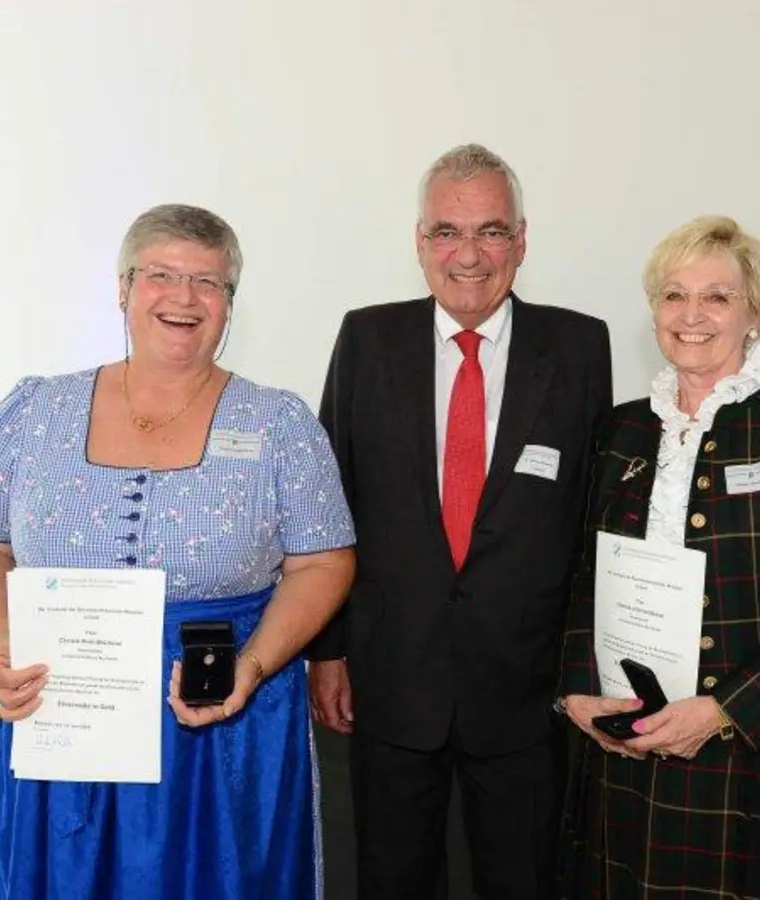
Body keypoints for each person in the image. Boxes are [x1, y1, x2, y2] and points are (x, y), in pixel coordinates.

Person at [0, 204, 357, 899]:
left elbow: (323, 561)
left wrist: (252, 666)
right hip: (63, 706)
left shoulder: (280, 424)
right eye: (161, 274)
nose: (185, 297)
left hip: (221, 720)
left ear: (229, 305)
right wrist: (6, 636)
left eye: (209, 283)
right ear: (124, 288)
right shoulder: (37, 410)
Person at [306, 143, 613, 899]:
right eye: (447, 232)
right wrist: (328, 650)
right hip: (391, 676)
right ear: (419, 242)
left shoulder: (578, 346)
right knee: (393, 877)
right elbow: (327, 508)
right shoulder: (366, 339)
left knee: (524, 880)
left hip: (527, 685)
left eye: (491, 232)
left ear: (521, 239)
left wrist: (583, 667)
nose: (469, 255)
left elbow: (592, 520)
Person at [555, 215, 760, 898]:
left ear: (754, 313)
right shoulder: (619, 430)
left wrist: (723, 710)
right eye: (673, 295)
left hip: (756, 759)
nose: (691, 315)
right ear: (653, 312)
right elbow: (581, 577)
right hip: (626, 748)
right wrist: (579, 695)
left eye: (717, 297)